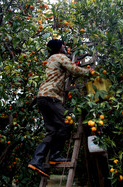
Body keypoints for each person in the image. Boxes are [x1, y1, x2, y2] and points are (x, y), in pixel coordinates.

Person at [28, 39, 94, 177]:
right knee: (67, 123)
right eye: (63, 45)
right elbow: (74, 70)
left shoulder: (51, 59)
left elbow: (68, 68)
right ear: (59, 47)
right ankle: (55, 156)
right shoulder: (59, 57)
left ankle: (36, 161)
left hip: (42, 98)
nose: (65, 47)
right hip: (50, 97)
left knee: (52, 131)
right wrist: (89, 73)